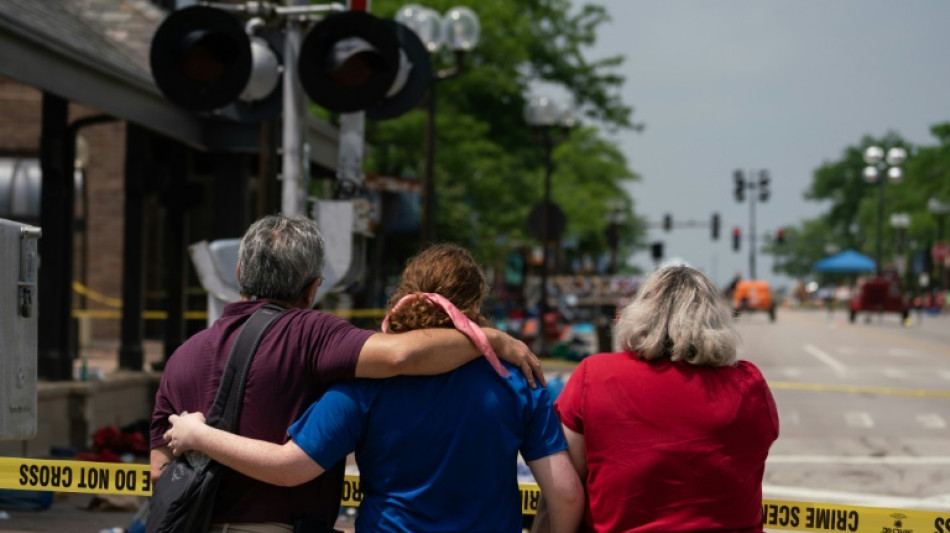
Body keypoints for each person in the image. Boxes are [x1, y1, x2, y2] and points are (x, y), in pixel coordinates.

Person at [150, 217, 545, 533]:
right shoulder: (312, 334)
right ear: (313, 289)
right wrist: (490, 338)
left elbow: (159, 471)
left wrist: (201, 442)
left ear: (239, 272)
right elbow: (401, 355)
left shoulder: (182, 357)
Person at [533, 264, 779, 533]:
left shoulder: (595, 376)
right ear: (715, 320)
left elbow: (565, 490)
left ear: (640, 314)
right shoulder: (749, 384)